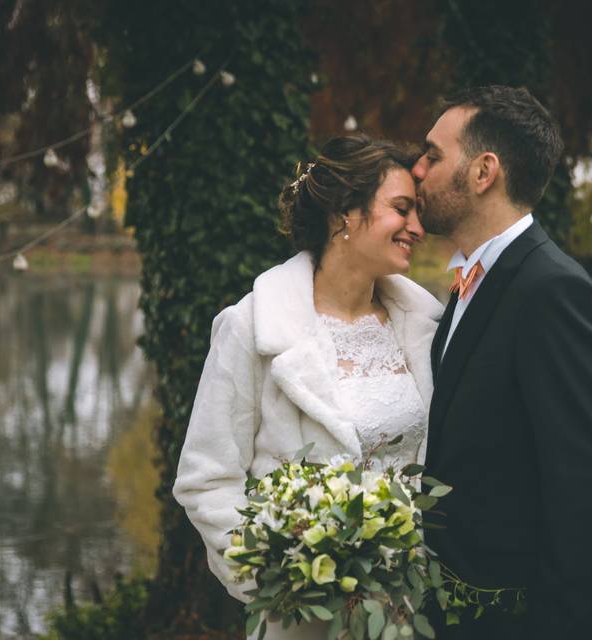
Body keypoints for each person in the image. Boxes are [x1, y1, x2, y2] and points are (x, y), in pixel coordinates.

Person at [172, 135, 443, 640]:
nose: (418, 228)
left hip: (408, 612)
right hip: (302, 617)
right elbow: (205, 478)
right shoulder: (253, 328)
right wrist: (279, 571)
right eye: (402, 209)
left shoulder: (425, 327)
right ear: (345, 213)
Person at [412, 86, 592, 638]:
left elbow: (587, 491)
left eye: (433, 155)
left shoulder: (552, 291)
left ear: (484, 172)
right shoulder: (470, 284)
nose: (416, 169)